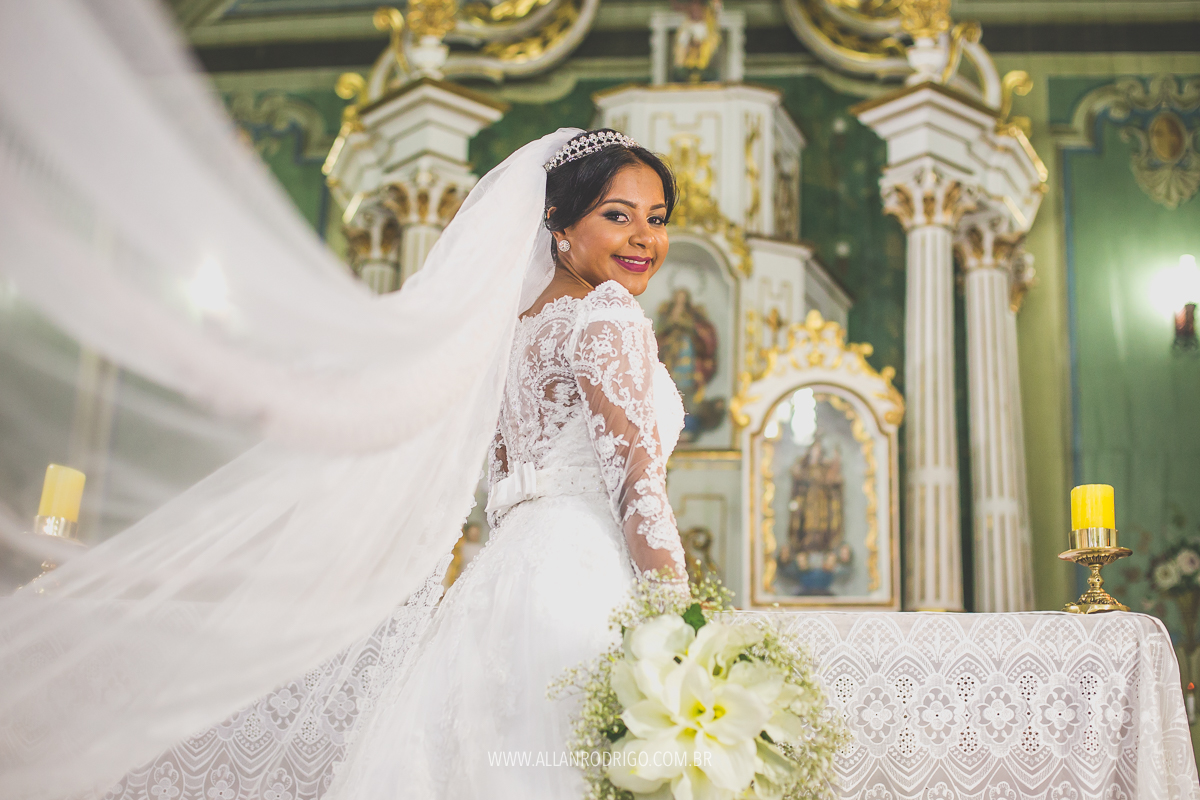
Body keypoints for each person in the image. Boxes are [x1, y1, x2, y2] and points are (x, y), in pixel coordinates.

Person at [323, 129, 691, 799]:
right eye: (618, 215)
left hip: (500, 588)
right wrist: (685, 634)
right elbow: (638, 484)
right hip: (583, 586)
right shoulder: (608, 314)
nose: (645, 237)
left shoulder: (505, 330)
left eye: (657, 219)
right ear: (558, 221)